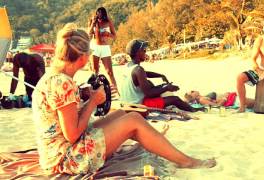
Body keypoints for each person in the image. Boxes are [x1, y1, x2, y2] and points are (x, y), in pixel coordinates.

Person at [32, 23, 215, 175]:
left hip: (56, 151)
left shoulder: (55, 76)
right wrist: (93, 102)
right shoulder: (62, 83)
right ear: (82, 57)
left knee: (124, 112)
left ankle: (161, 145)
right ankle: (186, 161)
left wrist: (84, 96)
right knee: (134, 120)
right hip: (65, 158)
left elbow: (62, 114)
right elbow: (72, 135)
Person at [120, 39, 205, 112]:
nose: (145, 52)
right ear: (138, 52)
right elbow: (149, 93)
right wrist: (167, 88)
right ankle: (194, 110)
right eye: (144, 50)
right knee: (175, 99)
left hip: (126, 104)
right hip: (138, 107)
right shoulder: (138, 70)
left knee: (151, 84)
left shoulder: (128, 67)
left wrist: (161, 75)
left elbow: (146, 74)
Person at [88, 7, 118, 94]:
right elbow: (89, 33)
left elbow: (114, 35)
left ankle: (116, 92)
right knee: (95, 71)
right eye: (98, 13)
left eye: (101, 13)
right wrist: (93, 23)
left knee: (109, 72)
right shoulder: (93, 21)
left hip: (105, 47)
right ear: (96, 13)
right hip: (94, 47)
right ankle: (95, 92)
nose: (99, 15)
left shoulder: (108, 21)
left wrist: (108, 34)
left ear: (104, 14)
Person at [184, 90, 264, 111]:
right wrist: (225, 97)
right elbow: (217, 107)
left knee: (258, 102)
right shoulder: (202, 100)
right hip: (233, 101)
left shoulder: (203, 97)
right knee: (258, 102)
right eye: (192, 91)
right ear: (193, 97)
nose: (194, 90)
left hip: (232, 99)